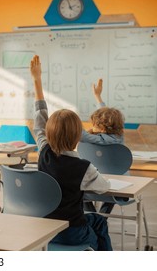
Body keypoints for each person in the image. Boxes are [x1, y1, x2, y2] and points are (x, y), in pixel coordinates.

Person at [30, 55, 112, 251]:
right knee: (99, 223)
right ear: (78, 137)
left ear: (49, 134)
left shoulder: (44, 151)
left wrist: (37, 80)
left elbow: (39, 121)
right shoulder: (84, 168)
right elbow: (103, 188)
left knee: (95, 221)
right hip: (72, 234)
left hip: (45, 231)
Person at [81, 78, 126, 214]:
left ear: (101, 128)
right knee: (110, 191)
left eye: (94, 123)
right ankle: (101, 218)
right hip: (119, 188)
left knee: (81, 191)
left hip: (91, 185)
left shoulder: (92, 139)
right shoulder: (119, 137)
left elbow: (80, 134)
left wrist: (71, 119)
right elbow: (107, 118)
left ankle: (95, 217)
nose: (92, 125)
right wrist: (98, 97)